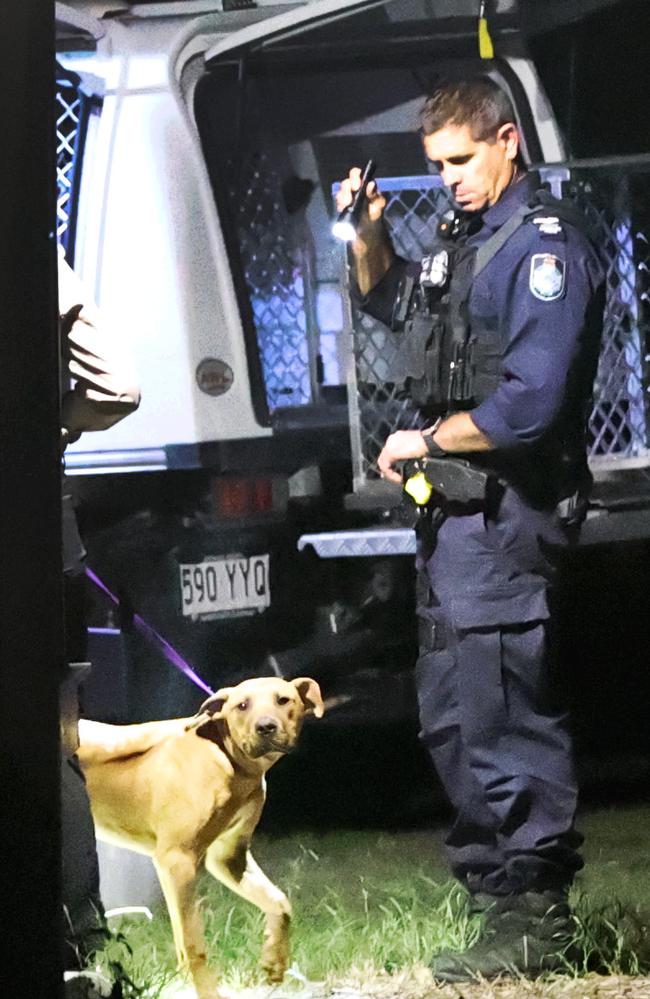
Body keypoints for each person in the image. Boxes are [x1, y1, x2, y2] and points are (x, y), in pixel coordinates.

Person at [336, 77, 605, 981]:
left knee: (501, 707)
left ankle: (537, 914)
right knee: (454, 711)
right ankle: (497, 905)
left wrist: (427, 436)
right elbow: (398, 307)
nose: (448, 179)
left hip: (507, 515)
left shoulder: (545, 248)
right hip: (453, 521)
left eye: (461, 160)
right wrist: (369, 236)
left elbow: (531, 403)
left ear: (506, 143)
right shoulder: (469, 242)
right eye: (435, 165)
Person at [58, 247, 140, 997]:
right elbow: (120, 385)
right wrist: (51, 423)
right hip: (41, 536)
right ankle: (83, 945)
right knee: (56, 746)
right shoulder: (35, 253)